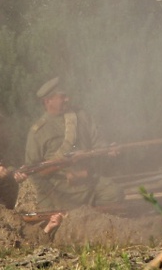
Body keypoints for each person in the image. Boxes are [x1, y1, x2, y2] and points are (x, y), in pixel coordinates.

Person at [18, 77, 123, 211]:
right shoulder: (38, 132)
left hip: (88, 180)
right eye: (62, 97)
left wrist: (108, 149)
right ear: (48, 101)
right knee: (55, 211)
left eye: (66, 96)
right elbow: (34, 171)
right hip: (60, 188)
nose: (67, 99)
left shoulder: (82, 116)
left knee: (115, 194)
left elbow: (98, 143)